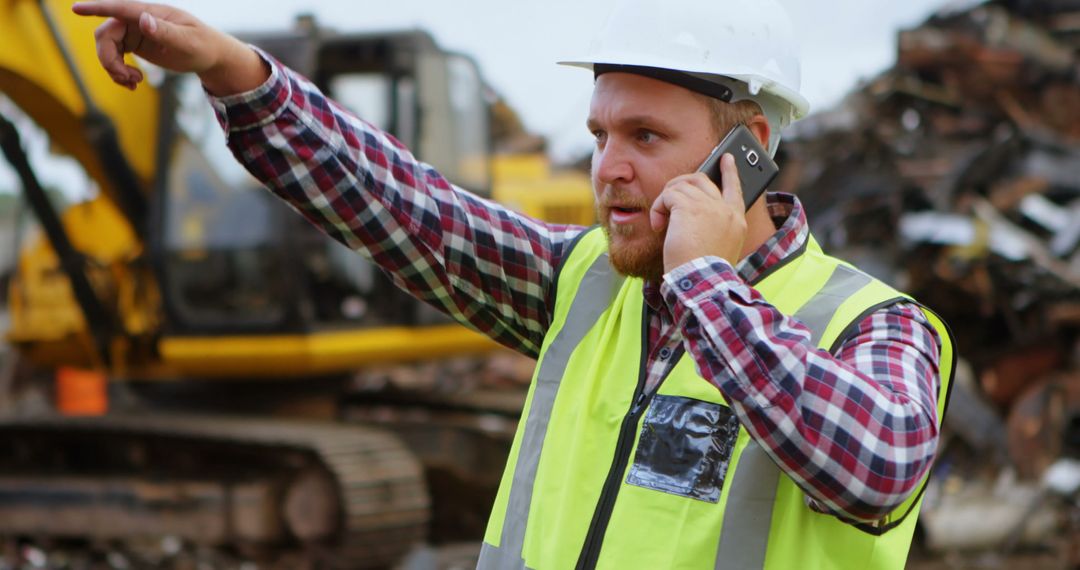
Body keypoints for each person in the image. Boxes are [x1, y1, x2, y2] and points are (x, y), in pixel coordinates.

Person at [73, 0, 955, 568]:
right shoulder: (582, 284)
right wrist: (235, 73)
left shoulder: (874, 324)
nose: (606, 169)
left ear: (748, 148)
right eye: (599, 134)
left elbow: (873, 469)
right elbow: (404, 206)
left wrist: (708, 281)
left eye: (644, 137)